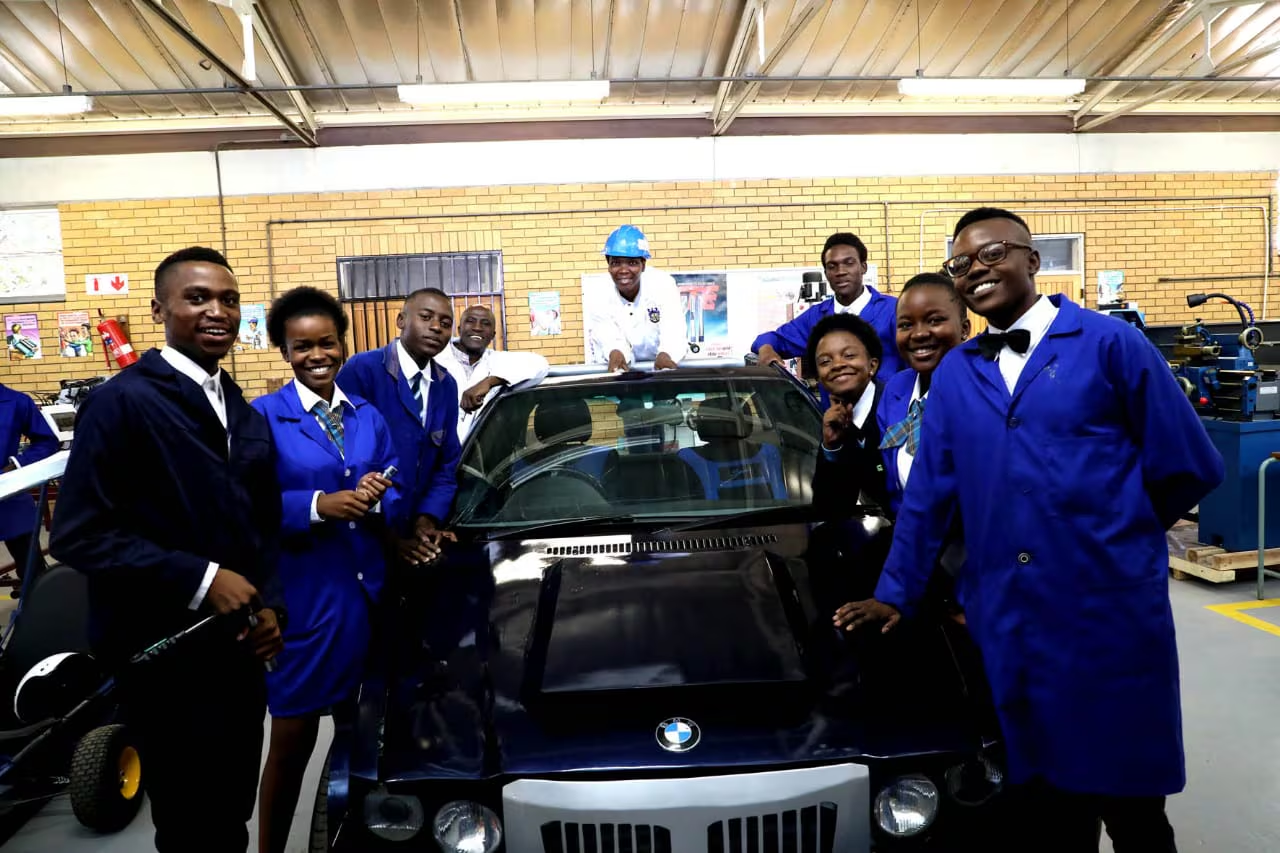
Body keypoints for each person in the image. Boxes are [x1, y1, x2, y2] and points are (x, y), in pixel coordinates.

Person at [836, 208, 1225, 853]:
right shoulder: (960, 373)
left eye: (992, 255)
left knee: (1131, 806)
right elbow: (930, 494)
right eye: (962, 264)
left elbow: (1187, 465)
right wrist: (895, 593)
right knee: (1043, 808)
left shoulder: (1109, 346)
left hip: (1108, 615)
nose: (977, 272)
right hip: (1008, 618)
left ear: (1031, 258)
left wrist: (1112, 540)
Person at [49, 246, 284, 853]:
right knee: (187, 819)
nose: (217, 312)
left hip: (236, 648)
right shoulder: (122, 402)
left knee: (231, 807)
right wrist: (203, 578)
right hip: (164, 653)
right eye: (198, 298)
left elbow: (259, 527)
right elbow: (79, 533)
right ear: (159, 309)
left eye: (229, 300)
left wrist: (270, 608)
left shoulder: (241, 411)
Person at [252, 287, 399, 853]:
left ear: (343, 344)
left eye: (327, 343)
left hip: (369, 596)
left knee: (362, 736)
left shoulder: (366, 415)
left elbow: (394, 477)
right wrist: (318, 505)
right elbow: (247, 506)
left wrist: (378, 491)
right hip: (308, 600)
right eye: (302, 346)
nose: (318, 355)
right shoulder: (263, 418)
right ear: (284, 352)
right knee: (292, 736)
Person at [337, 287, 461, 567]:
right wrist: (389, 539)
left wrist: (426, 520)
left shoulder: (446, 385)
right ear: (401, 320)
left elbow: (446, 464)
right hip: (365, 539)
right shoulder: (363, 370)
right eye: (426, 317)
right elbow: (342, 460)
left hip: (415, 540)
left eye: (445, 323)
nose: (436, 328)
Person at [752, 233, 902, 388]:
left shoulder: (894, 311)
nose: (840, 271)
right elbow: (772, 339)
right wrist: (767, 351)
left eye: (848, 263)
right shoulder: (817, 317)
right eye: (832, 266)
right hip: (833, 410)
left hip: (886, 410)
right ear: (826, 274)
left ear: (863, 267)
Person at [875, 272, 970, 517]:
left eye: (934, 320)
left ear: (964, 329)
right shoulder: (896, 389)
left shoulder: (984, 391)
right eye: (906, 324)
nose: (918, 334)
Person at [807, 313, 888, 519]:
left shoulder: (896, 407)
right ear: (818, 377)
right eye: (825, 361)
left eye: (849, 355)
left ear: (873, 364)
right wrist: (832, 447)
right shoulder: (835, 420)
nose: (837, 364)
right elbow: (830, 509)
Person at [435, 305, 549, 441]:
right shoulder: (435, 358)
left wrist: (489, 382)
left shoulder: (496, 360)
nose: (477, 327)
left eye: (485, 323)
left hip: (473, 455)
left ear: (493, 335)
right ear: (459, 330)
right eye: (470, 321)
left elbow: (540, 364)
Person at [587, 224, 687, 371]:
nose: (623, 270)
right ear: (608, 265)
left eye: (632, 263)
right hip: (621, 369)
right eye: (616, 263)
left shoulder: (663, 284)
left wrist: (667, 354)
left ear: (643, 265)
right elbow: (605, 333)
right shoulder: (599, 291)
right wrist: (615, 352)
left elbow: (674, 328)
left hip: (662, 365)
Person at [0, 382, 60, 597]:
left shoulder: (16, 402)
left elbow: (47, 441)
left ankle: (38, 620)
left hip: (9, 496)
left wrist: (17, 464)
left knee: (33, 570)